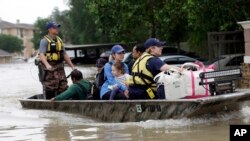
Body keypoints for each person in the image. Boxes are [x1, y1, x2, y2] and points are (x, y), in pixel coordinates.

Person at [38, 21, 75, 99]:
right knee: (50, 86)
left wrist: (72, 67)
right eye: (55, 28)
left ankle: (63, 101)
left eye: (57, 27)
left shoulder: (59, 40)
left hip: (60, 66)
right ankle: (49, 103)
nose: (57, 29)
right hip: (50, 66)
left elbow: (64, 54)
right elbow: (41, 54)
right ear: (49, 29)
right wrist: (47, 65)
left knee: (63, 85)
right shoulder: (44, 41)